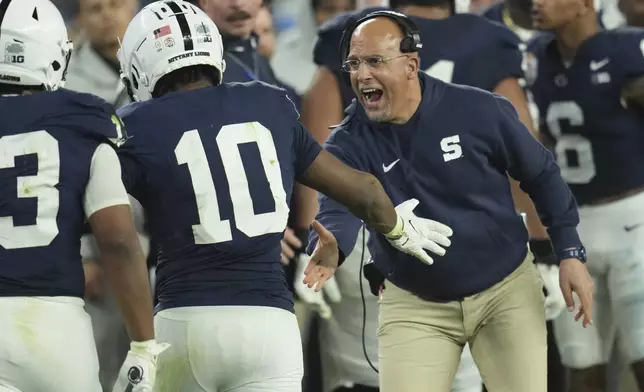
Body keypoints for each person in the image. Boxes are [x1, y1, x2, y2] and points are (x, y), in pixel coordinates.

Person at [115, 2, 453, 391]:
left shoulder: (134, 125)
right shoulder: (268, 103)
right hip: (271, 329)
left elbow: (101, 220)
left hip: (186, 321)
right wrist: (399, 231)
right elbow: (365, 189)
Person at [307, 11, 596, 392]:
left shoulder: (478, 110)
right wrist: (329, 247)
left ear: (410, 64)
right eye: (354, 64)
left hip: (504, 289)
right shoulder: (348, 140)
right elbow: (339, 204)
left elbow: (541, 174)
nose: (361, 75)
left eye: (375, 61)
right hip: (414, 301)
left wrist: (567, 251)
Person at [0, 1, 166, 391]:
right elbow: (118, 239)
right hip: (52, 323)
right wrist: (144, 344)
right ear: (59, 55)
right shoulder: (84, 119)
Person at [528, 0, 644, 389]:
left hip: (634, 218)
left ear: (584, 4)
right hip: (571, 226)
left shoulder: (629, 49)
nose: (536, 3)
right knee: (580, 364)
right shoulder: (534, 57)